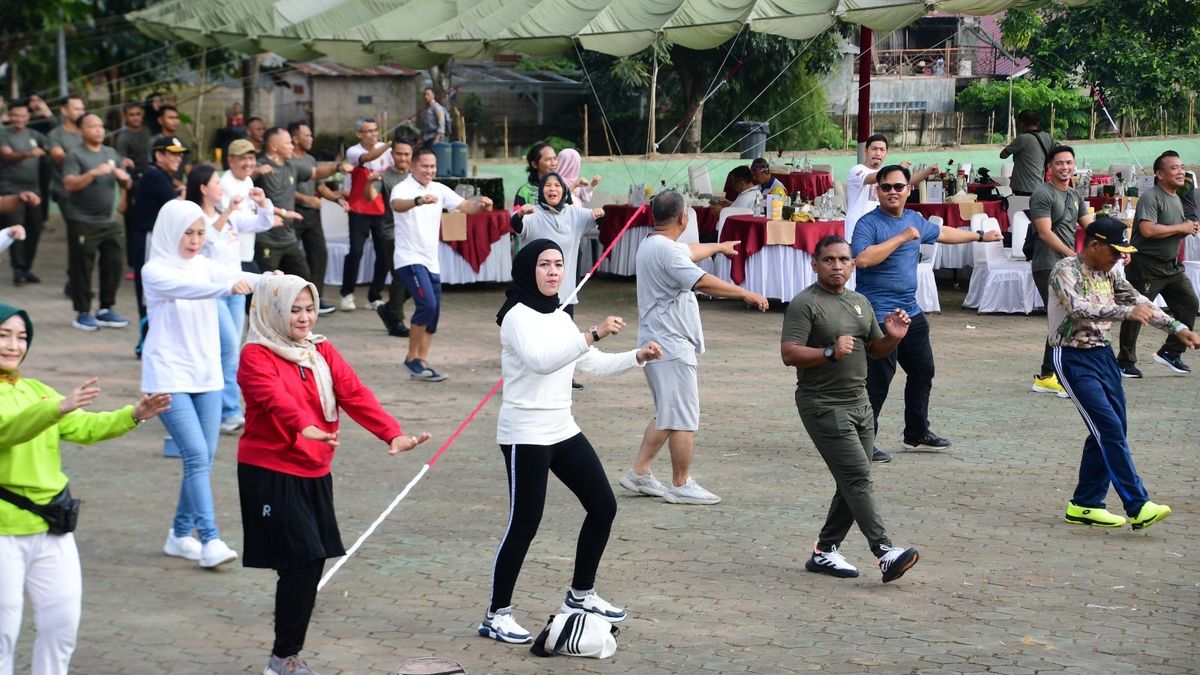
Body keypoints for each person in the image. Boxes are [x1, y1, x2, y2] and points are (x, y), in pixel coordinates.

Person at [236, 274, 431, 675]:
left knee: (308, 560)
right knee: (302, 559)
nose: (305, 318)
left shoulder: (319, 350)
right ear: (273, 311)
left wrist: (392, 434)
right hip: (270, 469)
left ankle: (285, 654)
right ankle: (283, 658)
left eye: (309, 309)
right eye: (295, 310)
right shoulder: (256, 354)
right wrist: (300, 424)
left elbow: (353, 393)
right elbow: (271, 397)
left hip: (315, 468)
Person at [480, 240, 662, 644]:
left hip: (562, 429)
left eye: (559, 265)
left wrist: (637, 356)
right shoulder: (516, 316)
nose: (552, 272)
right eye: (544, 265)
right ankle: (497, 614)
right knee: (524, 523)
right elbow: (542, 360)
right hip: (524, 434)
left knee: (603, 505)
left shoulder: (559, 315)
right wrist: (593, 332)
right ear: (529, 269)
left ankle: (580, 595)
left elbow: (591, 363)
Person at [0, 303, 171, 675]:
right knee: (3, 634)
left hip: (52, 525)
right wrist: (56, 408)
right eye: (4, 335)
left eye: (21, 337)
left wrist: (133, 415)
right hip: (3, 532)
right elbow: (8, 429)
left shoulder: (36, 390)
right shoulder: (45, 402)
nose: (13, 345)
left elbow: (84, 427)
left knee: (62, 626)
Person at [780, 235, 921, 583]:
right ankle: (884, 551)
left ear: (853, 264)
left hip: (860, 404)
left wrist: (893, 336)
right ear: (815, 264)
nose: (837, 266)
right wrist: (828, 351)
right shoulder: (805, 304)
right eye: (829, 260)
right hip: (822, 405)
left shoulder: (860, 302)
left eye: (844, 259)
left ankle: (825, 551)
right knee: (858, 476)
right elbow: (789, 353)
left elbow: (874, 349)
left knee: (853, 478)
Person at [1049, 217, 1200, 530]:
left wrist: (1177, 327)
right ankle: (1138, 504)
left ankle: (1085, 504)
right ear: (1094, 245)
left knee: (1110, 428)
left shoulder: (1111, 271)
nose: (1119, 258)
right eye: (1115, 251)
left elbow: (1138, 300)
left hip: (1102, 355)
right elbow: (1078, 309)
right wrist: (1125, 312)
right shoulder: (1065, 270)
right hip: (1072, 357)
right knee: (1108, 427)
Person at [619, 189, 769, 505]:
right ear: (684, 217)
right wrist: (745, 293)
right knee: (684, 415)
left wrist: (719, 246)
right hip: (670, 343)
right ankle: (680, 483)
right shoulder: (668, 252)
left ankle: (640, 472)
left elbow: (687, 251)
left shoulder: (653, 244)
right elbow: (701, 281)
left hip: (658, 338)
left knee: (667, 412)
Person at [141, 200, 267, 569]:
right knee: (196, 456)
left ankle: (180, 535)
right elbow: (194, 288)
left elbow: (229, 273)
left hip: (206, 375)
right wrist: (229, 287)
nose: (196, 241)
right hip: (167, 376)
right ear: (169, 232)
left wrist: (274, 280)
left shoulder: (203, 265)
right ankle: (209, 538)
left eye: (200, 233)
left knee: (203, 458)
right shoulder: (155, 270)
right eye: (188, 234)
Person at [851, 165, 1001, 462]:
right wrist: (902, 237)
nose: (892, 191)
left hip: (911, 311)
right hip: (879, 314)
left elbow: (941, 233)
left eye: (898, 186)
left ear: (909, 190)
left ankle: (917, 432)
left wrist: (979, 237)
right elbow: (863, 260)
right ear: (876, 190)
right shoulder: (868, 224)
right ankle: (863, 442)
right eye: (886, 187)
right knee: (879, 380)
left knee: (923, 371)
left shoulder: (914, 219)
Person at [186, 164, 278, 434]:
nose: (222, 187)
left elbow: (262, 223)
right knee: (226, 351)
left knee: (228, 351)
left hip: (235, 291)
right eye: (217, 182)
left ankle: (218, 407)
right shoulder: (192, 215)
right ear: (204, 188)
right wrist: (227, 212)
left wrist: (262, 204)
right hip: (211, 293)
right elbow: (204, 239)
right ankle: (229, 412)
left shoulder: (230, 216)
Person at [389, 147, 494, 381]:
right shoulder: (402, 188)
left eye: (432, 166)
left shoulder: (439, 188)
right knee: (426, 305)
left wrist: (482, 205)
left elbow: (467, 206)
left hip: (431, 261)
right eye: (425, 166)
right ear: (413, 166)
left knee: (434, 311)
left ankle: (422, 362)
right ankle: (410, 358)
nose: (429, 171)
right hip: (409, 259)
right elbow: (397, 205)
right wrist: (418, 201)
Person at [1116, 151, 1199, 377]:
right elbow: (1148, 230)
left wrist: (1186, 228)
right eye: (1174, 168)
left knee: (1189, 303)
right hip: (1146, 265)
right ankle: (1124, 360)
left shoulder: (1177, 198)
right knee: (1139, 311)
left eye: (1182, 167)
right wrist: (1181, 228)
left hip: (1170, 266)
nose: (1181, 172)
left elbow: (1170, 230)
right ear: (1159, 174)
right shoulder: (1151, 197)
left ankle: (1171, 352)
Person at [1029, 145, 1093, 396]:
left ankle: (1047, 376)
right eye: (1059, 163)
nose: (1065, 167)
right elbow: (1045, 233)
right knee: (1066, 317)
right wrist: (1073, 256)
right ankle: (1060, 376)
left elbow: (1090, 226)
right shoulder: (1042, 194)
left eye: (1069, 163)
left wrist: (1114, 245)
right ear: (1049, 168)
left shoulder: (1075, 195)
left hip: (1067, 265)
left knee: (1064, 318)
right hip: (1047, 264)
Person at [62, 112, 133, 331]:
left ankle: (105, 309)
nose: (99, 130)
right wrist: (93, 173)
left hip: (108, 220)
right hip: (82, 220)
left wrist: (125, 181)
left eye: (101, 126)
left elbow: (126, 183)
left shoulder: (110, 152)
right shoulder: (75, 155)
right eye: (93, 126)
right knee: (82, 266)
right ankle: (82, 312)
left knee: (114, 262)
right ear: (81, 131)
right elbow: (70, 184)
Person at [339, 117, 394, 311]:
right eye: (367, 131)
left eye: (375, 130)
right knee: (356, 251)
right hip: (359, 208)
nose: (372, 134)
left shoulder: (388, 150)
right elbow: (368, 158)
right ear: (359, 134)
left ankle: (375, 296)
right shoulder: (354, 151)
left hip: (381, 208)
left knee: (384, 253)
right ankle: (347, 294)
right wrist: (388, 145)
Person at [288, 122, 343, 314]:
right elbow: (284, 189)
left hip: (312, 215)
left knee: (319, 254)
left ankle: (316, 299)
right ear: (295, 139)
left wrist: (337, 199)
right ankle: (292, 298)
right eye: (307, 135)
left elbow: (320, 187)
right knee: (293, 258)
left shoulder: (311, 159)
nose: (311, 139)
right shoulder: (287, 161)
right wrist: (306, 198)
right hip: (293, 213)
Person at [131, 136, 188, 322]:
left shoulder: (160, 175)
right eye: (173, 154)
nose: (178, 159)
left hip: (153, 238)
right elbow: (176, 206)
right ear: (159, 154)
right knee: (149, 291)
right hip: (148, 238)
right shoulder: (154, 175)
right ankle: (145, 335)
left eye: (180, 155)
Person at [365, 138, 415, 337]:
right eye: (399, 153)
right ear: (392, 155)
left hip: (415, 235)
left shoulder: (417, 176)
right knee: (401, 276)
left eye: (407, 154)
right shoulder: (384, 177)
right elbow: (370, 197)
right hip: (391, 233)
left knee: (415, 281)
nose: (402, 158)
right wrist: (369, 182)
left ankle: (388, 309)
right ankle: (396, 321)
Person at [845, 134, 938, 242]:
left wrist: (928, 172)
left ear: (886, 154)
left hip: (879, 229)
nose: (878, 153)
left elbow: (907, 182)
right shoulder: (857, 170)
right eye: (874, 149)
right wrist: (897, 169)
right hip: (857, 229)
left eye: (882, 150)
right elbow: (871, 178)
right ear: (865, 151)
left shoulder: (886, 175)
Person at [0, 99, 49, 285]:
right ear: (9, 117)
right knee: (15, 231)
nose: (19, 119)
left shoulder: (35, 135)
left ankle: (27, 267)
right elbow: (7, 155)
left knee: (35, 230)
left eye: (22, 115)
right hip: (10, 190)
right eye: (15, 115)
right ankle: (18, 269)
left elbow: (51, 145)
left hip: (34, 190)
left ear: (28, 117)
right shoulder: (4, 135)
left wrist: (46, 112)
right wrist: (29, 153)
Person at [253, 127, 312, 281]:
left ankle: (307, 304)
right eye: (288, 143)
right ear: (274, 146)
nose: (292, 146)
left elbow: (315, 173)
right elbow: (247, 181)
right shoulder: (259, 165)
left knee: (302, 279)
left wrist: (338, 167)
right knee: (267, 284)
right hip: (267, 239)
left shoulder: (291, 165)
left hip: (289, 238)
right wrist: (257, 172)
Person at [45, 95, 86, 225]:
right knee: (77, 230)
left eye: (82, 109)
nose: (81, 112)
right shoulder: (56, 135)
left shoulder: (88, 131)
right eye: (76, 109)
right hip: (67, 193)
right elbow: (58, 157)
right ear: (64, 111)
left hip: (90, 190)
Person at [1000, 110, 1054, 196]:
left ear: (1021, 124)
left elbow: (1002, 155)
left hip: (1022, 188)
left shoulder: (1022, 138)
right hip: (1040, 188)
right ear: (1038, 123)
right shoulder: (1047, 137)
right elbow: (1059, 151)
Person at [153, 105, 191, 183]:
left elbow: (188, 170)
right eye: (171, 118)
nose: (175, 121)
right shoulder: (153, 143)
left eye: (176, 118)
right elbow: (150, 168)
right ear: (160, 120)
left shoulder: (183, 144)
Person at [513, 143, 556, 207]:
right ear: (534, 164)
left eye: (555, 158)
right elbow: (516, 215)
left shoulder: (561, 188)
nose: (553, 163)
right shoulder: (524, 191)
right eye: (547, 159)